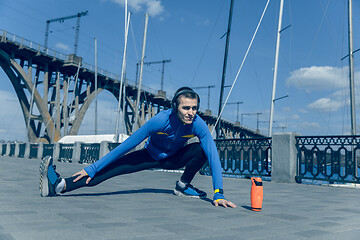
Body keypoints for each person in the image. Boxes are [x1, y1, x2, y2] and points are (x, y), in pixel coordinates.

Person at [39, 87, 236, 208]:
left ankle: (183, 186)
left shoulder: (198, 124)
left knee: (202, 149)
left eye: (194, 108)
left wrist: (218, 193)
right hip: (149, 156)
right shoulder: (159, 121)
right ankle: (60, 186)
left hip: (174, 158)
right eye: (186, 107)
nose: (191, 112)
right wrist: (93, 167)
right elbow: (126, 146)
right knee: (106, 172)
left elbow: (213, 155)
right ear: (175, 107)